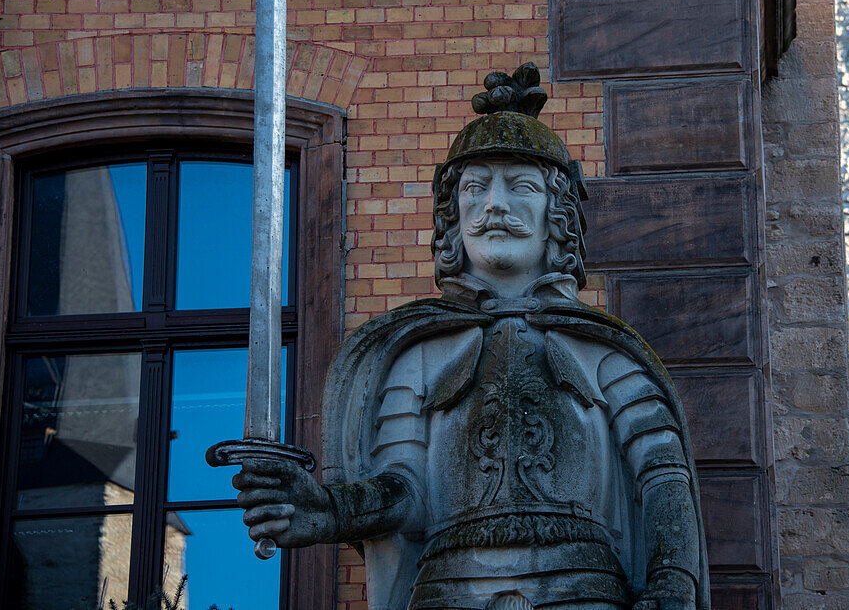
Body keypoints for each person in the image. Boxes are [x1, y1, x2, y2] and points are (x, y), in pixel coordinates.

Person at [233, 64, 708, 610]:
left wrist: (674, 583)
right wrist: (330, 508)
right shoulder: (417, 354)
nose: (494, 206)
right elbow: (403, 489)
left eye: (522, 186)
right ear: (452, 216)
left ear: (561, 214)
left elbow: (662, 471)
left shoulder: (602, 352)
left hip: (582, 588)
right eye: (475, 187)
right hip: (446, 592)